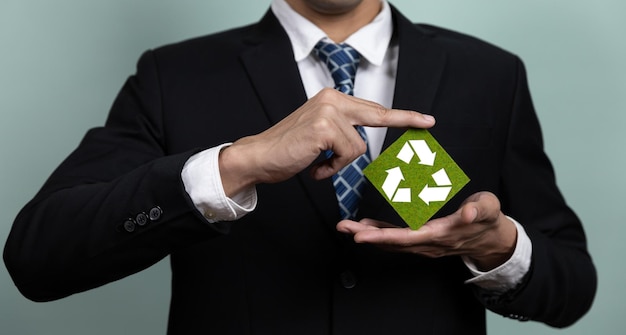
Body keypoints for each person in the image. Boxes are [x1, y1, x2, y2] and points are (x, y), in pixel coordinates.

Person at [4, 0, 596, 333]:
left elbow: (571, 287)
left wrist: (498, 248)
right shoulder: (174, 76)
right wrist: (234, 166)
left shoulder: (489, 74)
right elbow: (38, 259)